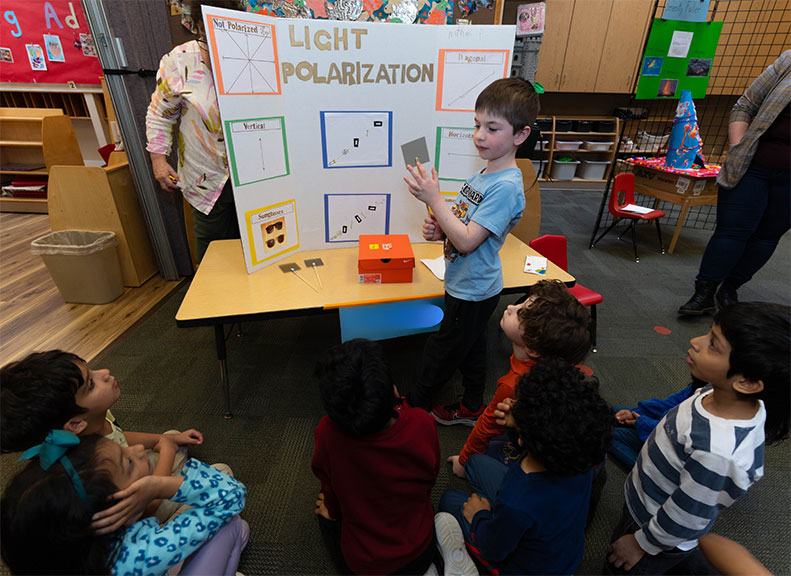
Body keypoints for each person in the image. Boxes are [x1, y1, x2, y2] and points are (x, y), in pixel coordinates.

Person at [606, 302, 790, 574]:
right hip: (648, 500)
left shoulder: (719, 455)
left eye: (713, 344)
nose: (695, 341)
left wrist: (641, 543)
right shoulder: (715, 391)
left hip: (652, 529)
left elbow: (686, 516)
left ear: (747, 383)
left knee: (620, 566)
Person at [404, 77, 538, 425]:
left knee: (442, 349)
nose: (479, 135)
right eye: (477, 125)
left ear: (520, 135)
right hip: (468, 281)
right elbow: (462, 229)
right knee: (473, 348)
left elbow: (466, 241)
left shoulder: (507, 187)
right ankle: (472, 405)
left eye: (492, 128)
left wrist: (435, 199)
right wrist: (440, 230)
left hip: (473, 288)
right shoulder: (484, 175)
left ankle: (414, 409)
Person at [439, 358, 613, 575]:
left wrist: (479, 517)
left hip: (526, 567)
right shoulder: (580, 455)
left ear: (526, 439)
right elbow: (541, 446)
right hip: (560, 548)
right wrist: (517, 427)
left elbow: (494, 548)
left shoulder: (518, 499)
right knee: (474, 462)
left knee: (448, 499)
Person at [0, 350, 212, 522]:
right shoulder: (96, 467)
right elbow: (150, 504)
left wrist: (165, 440)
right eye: (91, 384)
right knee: (220, 472)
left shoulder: (92, 422)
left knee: (172, 435)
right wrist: (167, 449)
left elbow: (119, 436)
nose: (105, 372)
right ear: (75, 424)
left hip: (137, 475)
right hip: (146, 505)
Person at [1, 432, 247, 575]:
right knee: (232, 526)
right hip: (150, 556)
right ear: (109, 507)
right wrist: (158, 485)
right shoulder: (136, 555)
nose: (139, 449)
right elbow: (232, 495)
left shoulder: (75, 551)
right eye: (128, 463)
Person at [310, 339, 441, 575]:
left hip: (365, 566)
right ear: (393, 389)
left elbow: (330, 490)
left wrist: (331, 509)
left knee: (325, 514)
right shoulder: (423, 423)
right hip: (421, 551)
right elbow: (430, 478)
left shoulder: (327, 434)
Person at [679, 51, 790, 315]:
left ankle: (730, 287)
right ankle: (704, 293)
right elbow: (745, 105)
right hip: (752, 167)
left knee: (766, 237)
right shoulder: (788, 61)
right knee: (732, 232)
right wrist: (738, 147)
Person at [447, 279, 591, 478]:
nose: (510, 306)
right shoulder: (555, 362)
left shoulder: (514, 385)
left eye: (520, 312)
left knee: (490, 450)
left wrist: (463, 462)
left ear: (532, 348)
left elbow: (486, 427)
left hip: (541, 459)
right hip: (556, 446)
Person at [146, 0, 243, 262]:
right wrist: (158, 160)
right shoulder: (179, 60)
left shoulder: (254, 53)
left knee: (258, 246)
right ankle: (214, 302)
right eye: (205, 34)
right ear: (197, 25)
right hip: (205, 174)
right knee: (215, 253)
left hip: (253, 174)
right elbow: (160, 112)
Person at [609, 377, 705, 470]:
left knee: (608, 435)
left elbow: (668, 433)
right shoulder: (701, 385)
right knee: (613, 411)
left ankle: (644, 470)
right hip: (660, 425)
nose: (689, 360)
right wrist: (636, 413)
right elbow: (666, 405)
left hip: (669, 448)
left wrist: (640, 422)